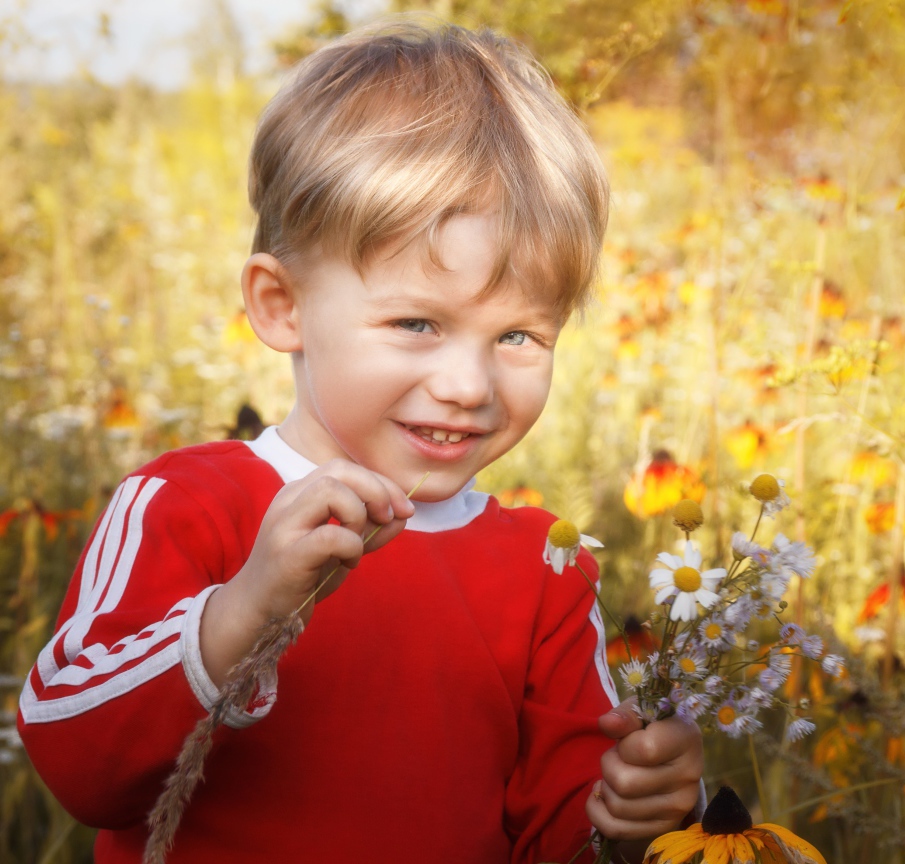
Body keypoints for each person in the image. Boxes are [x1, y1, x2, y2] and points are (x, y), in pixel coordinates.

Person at [17, 18, 704, 864]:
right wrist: (241, 611)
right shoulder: (186, 506)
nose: (469, 384)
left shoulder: (545, 570)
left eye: (520, 336)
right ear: (282, 306)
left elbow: (564, 833)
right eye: (417, 322)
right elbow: (74, 761)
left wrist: (650, 807)